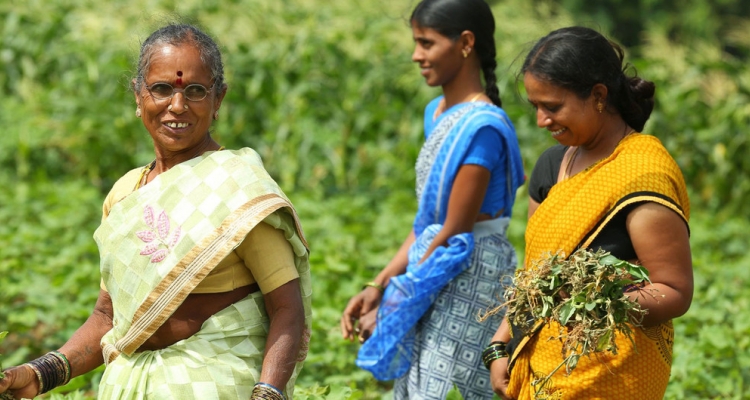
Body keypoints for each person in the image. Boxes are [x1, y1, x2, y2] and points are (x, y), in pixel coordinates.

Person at [0, 23, 311, 400]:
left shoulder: (238, 190)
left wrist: (267, 395)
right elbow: (108, 318)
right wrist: (40, 373)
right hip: (129, 387)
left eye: (195, 91)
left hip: (216, 387)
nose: (177, 106)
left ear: (219, 100)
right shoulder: (125, 192)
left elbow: (287, 309)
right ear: (138, 94)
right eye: (162, 89)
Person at [486, 26, 692, 400]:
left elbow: (674, 291)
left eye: (552, 106)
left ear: (598, 96)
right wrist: (500, 343)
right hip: (543, 370)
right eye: (535, 106)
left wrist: (592, 298)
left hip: (613, 374)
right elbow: (536, 276)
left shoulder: (642, 175)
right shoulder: (551, 166)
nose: (541, 121)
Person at [339, 0, 525, 398]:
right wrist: (380, 282)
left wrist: (393, 302)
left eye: (426, 43)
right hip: (431, 266)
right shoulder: (436, 112)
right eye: (416, 42)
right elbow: (428, 224)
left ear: (465, 43)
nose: (416, 55)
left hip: (470, 271)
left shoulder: (481, 128)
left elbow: (455, 232)